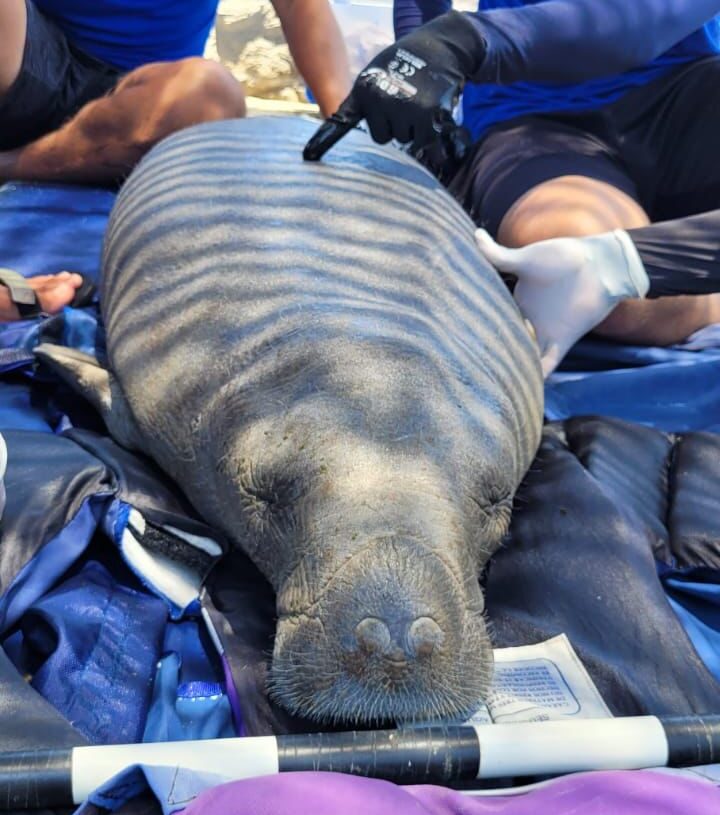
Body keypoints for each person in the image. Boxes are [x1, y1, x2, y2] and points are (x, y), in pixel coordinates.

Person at [305, 1, 720, 355]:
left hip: (690, 91)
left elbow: (645, 18)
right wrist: (423, 65)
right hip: (533, 115)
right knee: (578, 275)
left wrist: (466, 40)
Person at [0, 0, 352, 319]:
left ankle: (11, 164)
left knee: (209, 94)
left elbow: (298, 6)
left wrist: (345, 125)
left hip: (142, 99)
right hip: (30, 63)